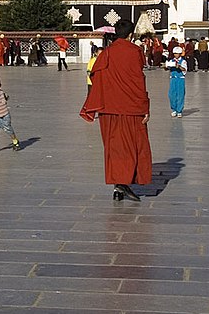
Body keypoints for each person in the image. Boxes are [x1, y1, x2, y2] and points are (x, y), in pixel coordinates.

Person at [80, 19, 151, 202]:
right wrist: (145, 107)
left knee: (114, 148)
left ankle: (118, 187)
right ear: (131, 34)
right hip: (131, 109)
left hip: (108, 110)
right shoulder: (135, 51)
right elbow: (138, 81)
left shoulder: (106, 53)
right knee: (132, 147)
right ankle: (122, 183)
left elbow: (96, 76)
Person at [166, 46, 188, 117]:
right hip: (173, 79)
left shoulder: (183, 61)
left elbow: (184, 69)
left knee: (180, 94)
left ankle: (179, 110)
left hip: (180, 79)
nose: (176, 55)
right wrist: (166, 67)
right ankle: (174, 109)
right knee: (171, 94)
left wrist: (179, 67)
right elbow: (167, 68)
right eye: (175, 53)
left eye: (177, 53)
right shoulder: (171, 61)